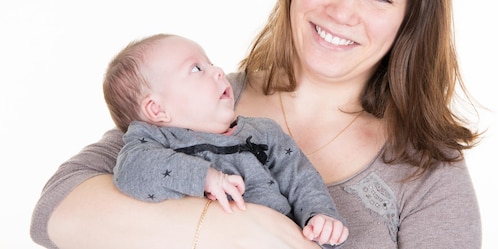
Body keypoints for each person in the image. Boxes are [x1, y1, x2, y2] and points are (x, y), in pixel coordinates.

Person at [31, 0, 482, 249]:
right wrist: (227, 231)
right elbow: (54, 212)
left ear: (411, 20)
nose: (343, 10)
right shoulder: (199, 101)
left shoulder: (426, 168)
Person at [105, 33, 348, 247]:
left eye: (210, 63)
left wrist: (319, 216)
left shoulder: (263, 132)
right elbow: (131, 170)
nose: (218, 71)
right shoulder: (154, 140)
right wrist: (205, 177)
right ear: (157, 110)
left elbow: (300, 176)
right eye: (196, 69)